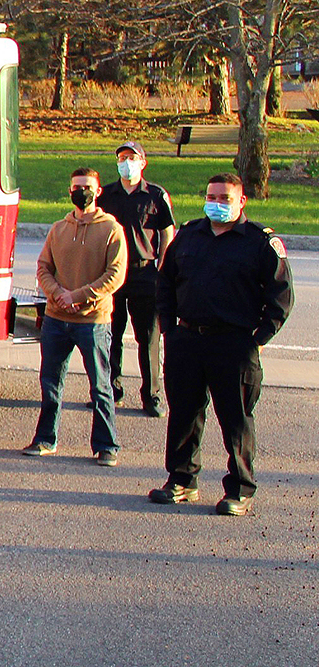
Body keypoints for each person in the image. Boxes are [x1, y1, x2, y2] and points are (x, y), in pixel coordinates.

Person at [148, 174, 295, 516]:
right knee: (184, 414)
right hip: (187, 340)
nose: (217, 203)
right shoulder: (188, 235)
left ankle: (240, 490)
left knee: (236, 420)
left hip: (234, 344)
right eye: (212, 196)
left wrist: (256, 340)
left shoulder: (259, 242)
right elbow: (166, 283)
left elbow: (281, 298)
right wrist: (169, 329)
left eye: (225, 198)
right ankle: (182, 481)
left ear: (242, 201)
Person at [22, 167, 126, 464]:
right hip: (56, 318)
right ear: (70, 191)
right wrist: (58, 295)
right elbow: (43, 268)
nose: (82, 192)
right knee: (51, 382)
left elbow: (115, 275)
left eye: (87, 187)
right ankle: (45, 439)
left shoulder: (111, 229)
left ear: (98, 191)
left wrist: (77, 296)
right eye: (76, 187)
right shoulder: (58, 228)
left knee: (101, 386)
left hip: (92, 321)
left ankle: (107, 446)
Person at [100, 142, 175, 415]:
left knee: (149, 338)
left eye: (132, 157)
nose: (126, 162)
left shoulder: (155, 195)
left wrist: (162, 266)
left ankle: (152, 396)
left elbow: (167, 232)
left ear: (143, 162)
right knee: (110, 336)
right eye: (122, 157)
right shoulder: (106, 194)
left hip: (145, 273)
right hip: (113, 274)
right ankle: (110, 391)